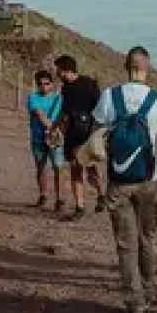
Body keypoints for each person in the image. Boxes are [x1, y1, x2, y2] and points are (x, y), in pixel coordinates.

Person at [92, 47, 157, 313]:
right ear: (148, 68)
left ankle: (135, 308)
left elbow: (95, 140)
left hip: (118, 182)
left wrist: (97, 179)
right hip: (150, 180)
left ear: (125, 66)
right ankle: (150, 289)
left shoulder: (109, 96)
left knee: (125, 245)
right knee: (148, 237)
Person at [55, 54, 104, 220]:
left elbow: (98, 109)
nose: (57, 74)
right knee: (82, 169)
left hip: (82, 133)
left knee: (85, 169)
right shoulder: (74, 86)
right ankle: (85, 204)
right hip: (80, 132)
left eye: (59, 70)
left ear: (67, 69)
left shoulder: (80, 86)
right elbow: (65, 110)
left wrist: (56, 127)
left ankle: (94, 199)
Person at [28, 68, 65, 211]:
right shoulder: (33, 98)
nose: (44, 86)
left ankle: (60, 198)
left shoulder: (58, 98)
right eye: (40, 84)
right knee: (41, 167)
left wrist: (55, 128)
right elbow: (39, 115)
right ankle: (43, 195)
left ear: (51, 84)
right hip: (39, 138)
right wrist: (52, 126)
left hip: (55, 138)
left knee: (58, 168)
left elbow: (61, 116)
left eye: (47, 83)